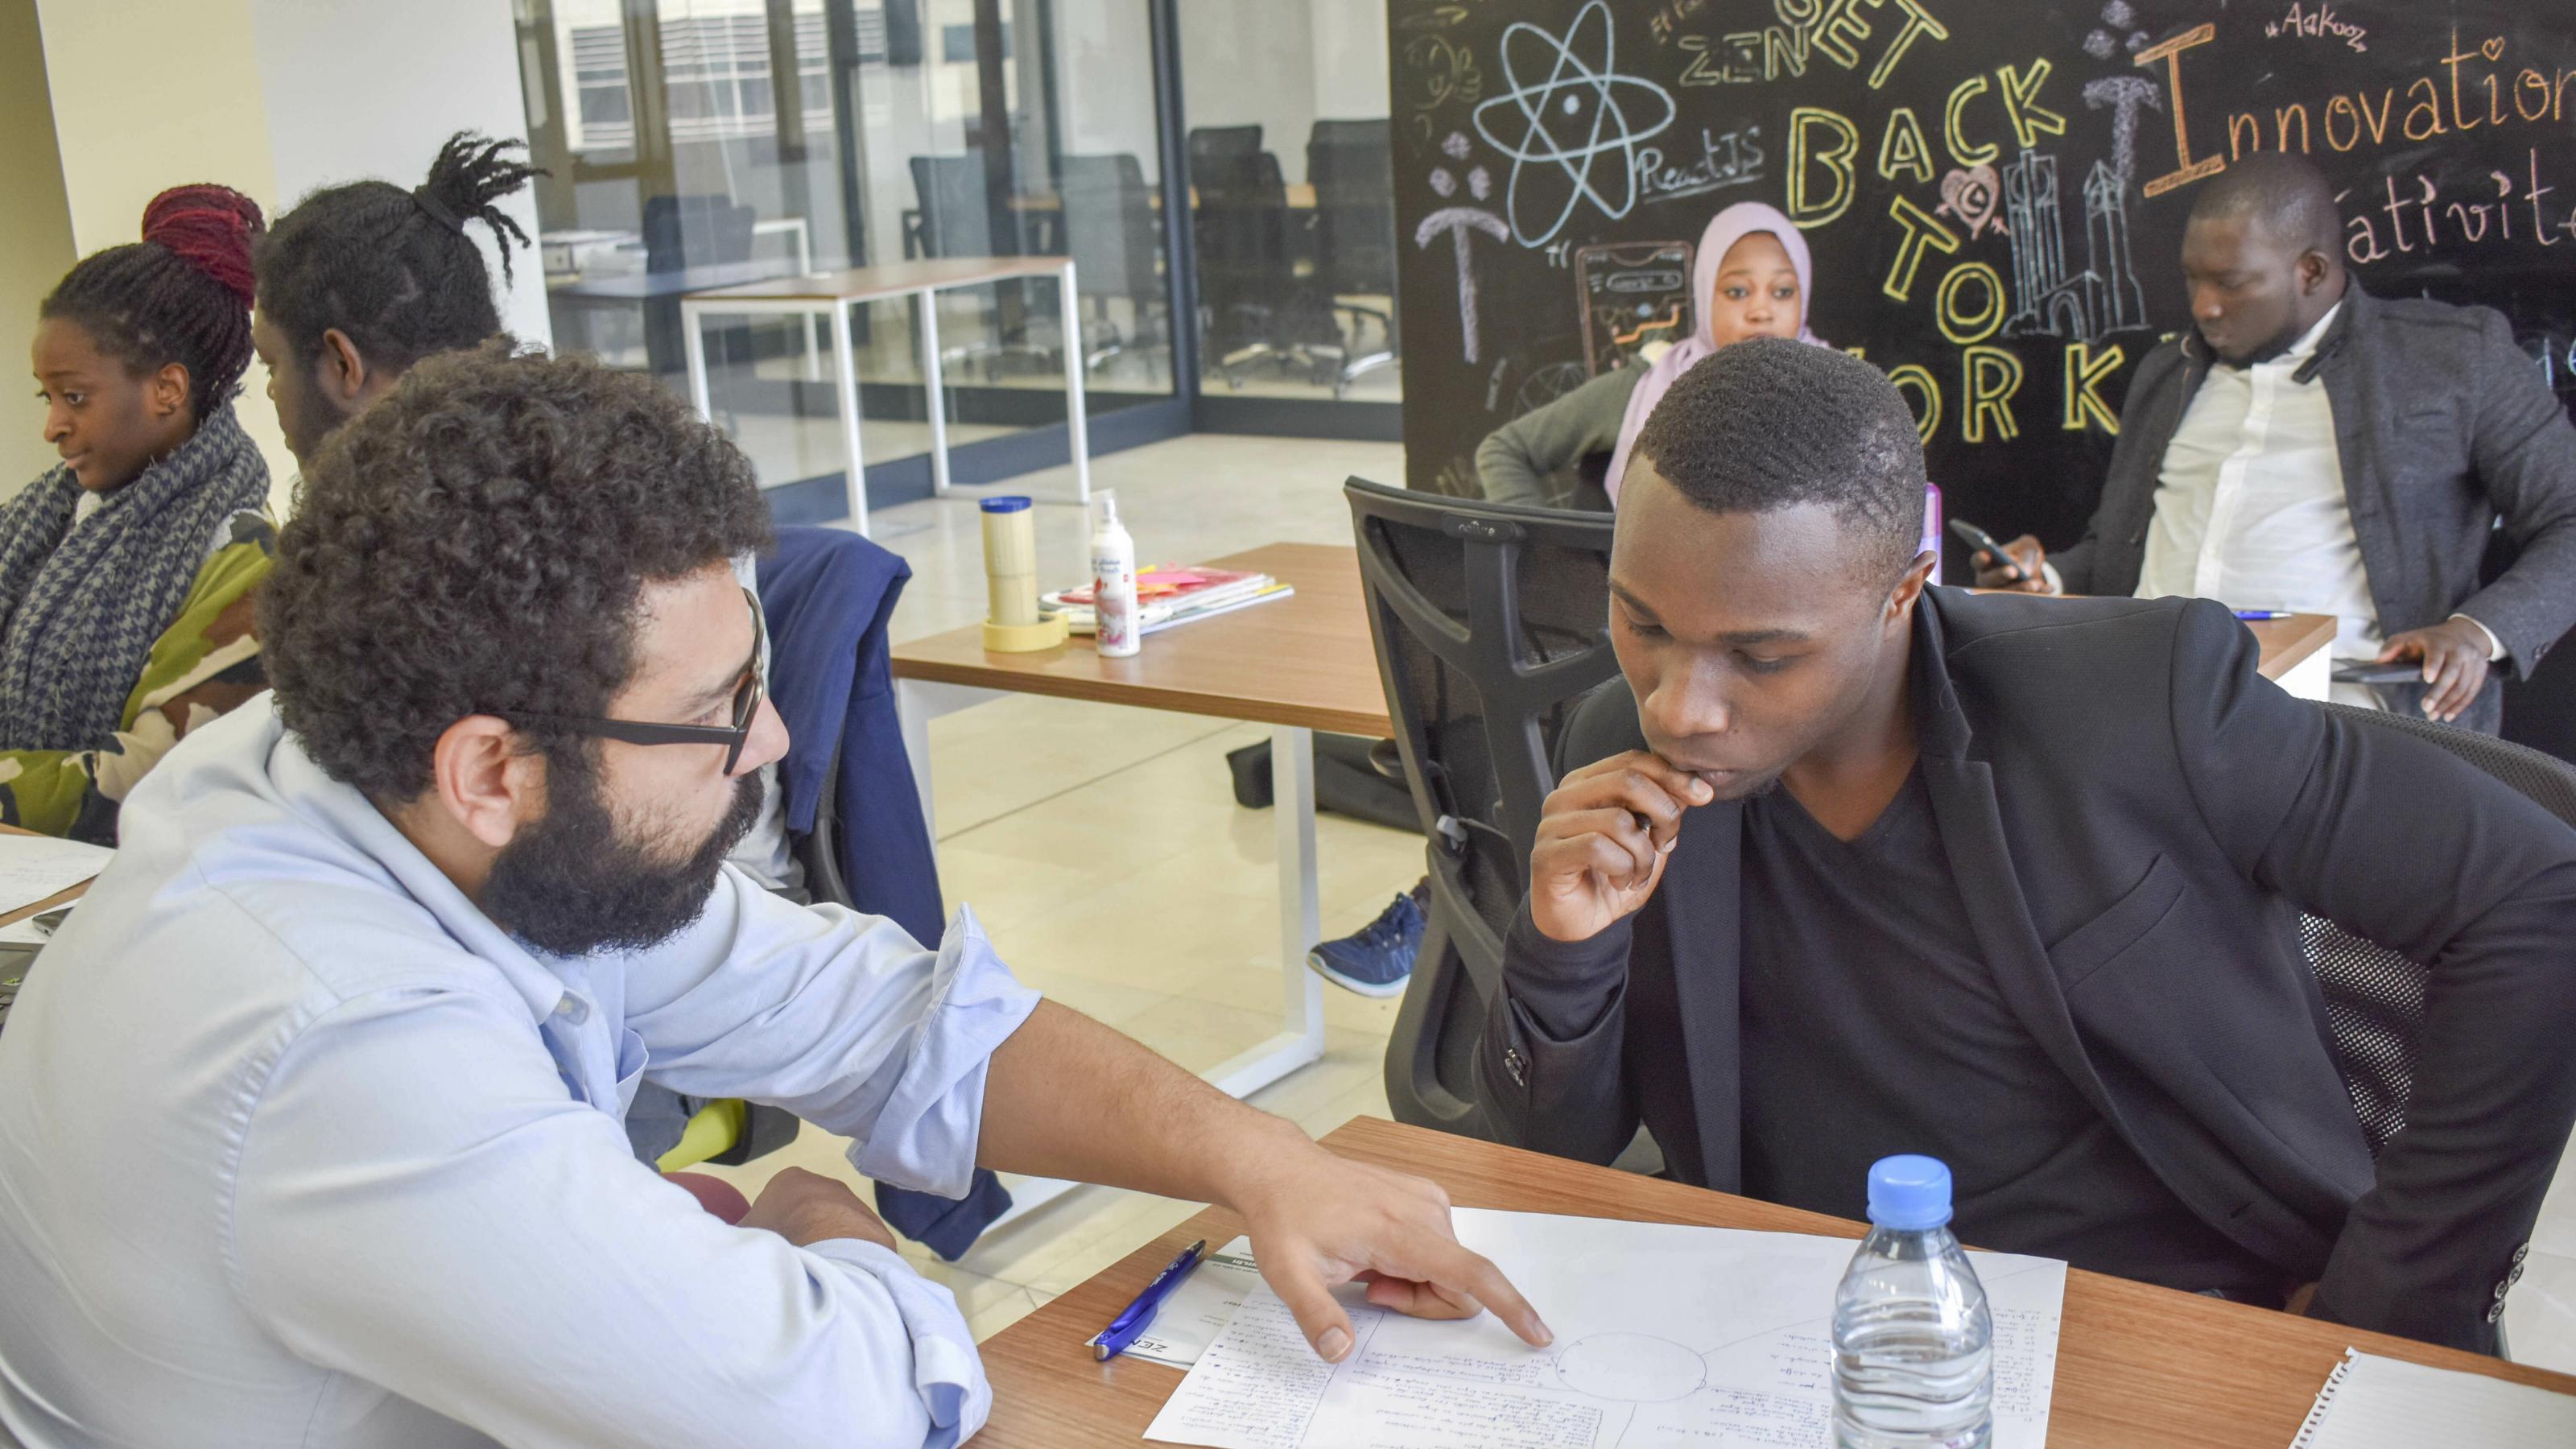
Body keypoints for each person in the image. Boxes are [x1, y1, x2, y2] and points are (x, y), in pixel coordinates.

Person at [0, 345, 1547, 1447]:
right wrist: (828, 1233)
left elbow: (878, 1015)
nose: (779, 737)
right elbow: (837, 1408)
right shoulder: (329, 1043)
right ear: (492, 768)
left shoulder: (392, 773)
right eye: (723, 704)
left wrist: (1258, 1159)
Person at [1480, 336, 2576, 1355]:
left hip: (2164, 1322)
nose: (1680, 708)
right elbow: (1551, 1171)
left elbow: (2536, 895)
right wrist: (1564, 952)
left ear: (1904, 591)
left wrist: (2389, 1303)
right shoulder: (1616, 756)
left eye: (1761, 656)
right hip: (1799, 1330)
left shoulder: (2138, 703)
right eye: (1645, 625)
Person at [252, 131, 799, 896]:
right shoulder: (464, 493)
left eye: (269, 364)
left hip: (665, 886)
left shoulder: (564, 521)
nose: (270, 396)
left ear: (342, 364)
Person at [1974, 151, 2576, 733]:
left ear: (2310, 270)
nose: (2204, 307)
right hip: (2149, 716)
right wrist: (2046, 580)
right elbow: (2117, 553)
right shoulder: (2169, 373)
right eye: (2192, 280)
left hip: (2347, 728)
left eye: (2231, 283)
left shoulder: (2453, 359)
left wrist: (2476, 632)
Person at [1, 185, 272, 840]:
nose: (53, 427)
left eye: (75, 397)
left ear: (167, 389)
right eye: (47, 397)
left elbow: (156, 776)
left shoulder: (242, 558)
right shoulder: (40, 522)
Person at [1473, 201, 1818, 511]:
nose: (1761, 310)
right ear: (1704, 293)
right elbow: (1506, 450)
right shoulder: (1648, 387)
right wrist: (1544, 554)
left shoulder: (1836, 396)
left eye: (1783, 291)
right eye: (1737, 291)